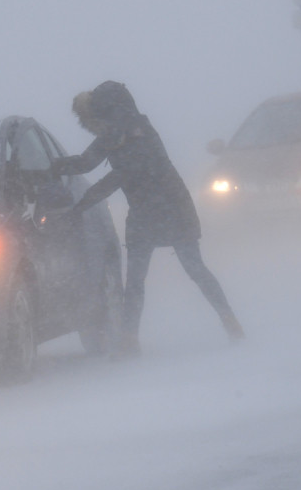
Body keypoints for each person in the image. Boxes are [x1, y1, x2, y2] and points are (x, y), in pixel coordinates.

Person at [52, 80, 245, 357]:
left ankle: (132, 339)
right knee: (189, 270)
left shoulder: (124, 131)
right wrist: (53, 167)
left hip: (160, 208)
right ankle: (228, 322)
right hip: (164, 207)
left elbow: (114, 174)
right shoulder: (127, 128)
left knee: (144, 279)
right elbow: (87, 163)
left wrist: (79, 204)